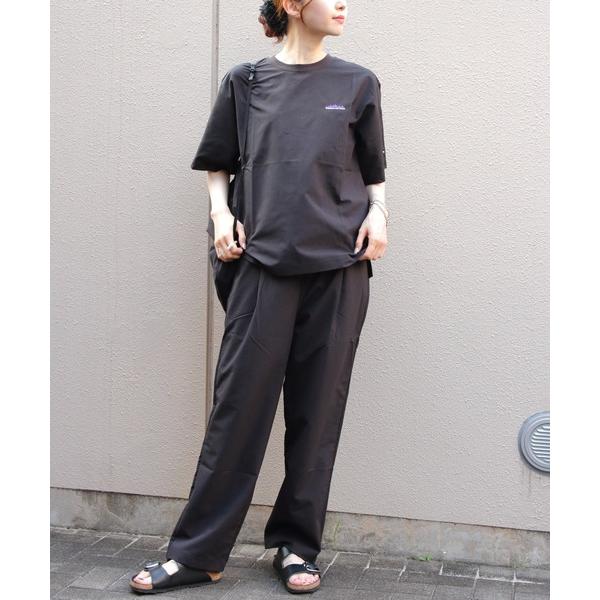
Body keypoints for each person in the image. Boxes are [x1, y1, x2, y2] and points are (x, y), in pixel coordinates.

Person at [129, 0, 388, 595]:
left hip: (339, 266)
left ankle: (297, 548)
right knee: (237, 410)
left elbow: (374, 171)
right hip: (261, 263)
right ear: (293, 4)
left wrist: (380, 214)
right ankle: (198, 554)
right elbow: (218, 163)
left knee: (317, 414)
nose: (343, 4)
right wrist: (221, 215)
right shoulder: (246, 81)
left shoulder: (358, 83)